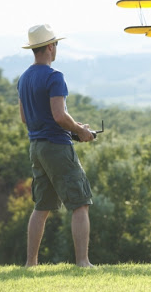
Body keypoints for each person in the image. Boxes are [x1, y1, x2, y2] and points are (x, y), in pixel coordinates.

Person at [17, 24, 95, 267]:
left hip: (36, 147)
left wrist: (71, 125)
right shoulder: (54, 76)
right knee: (80, 203)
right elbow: (60, 116)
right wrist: (81, 130)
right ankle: (83, 262)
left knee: (41, 206)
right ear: (51, 47)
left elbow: (24, 118)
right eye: (56, 44)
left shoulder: (24, 78)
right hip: (57, 147)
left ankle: (31, 264)